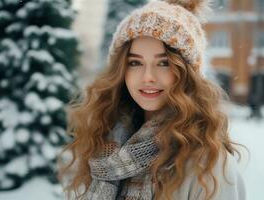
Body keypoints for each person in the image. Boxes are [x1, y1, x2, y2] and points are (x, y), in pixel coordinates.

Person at [57, 0, 246, 199]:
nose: (148, 76)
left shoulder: (209, 166)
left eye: (163, 63)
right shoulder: (104, 148)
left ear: (188, 73)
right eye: (135, 62)